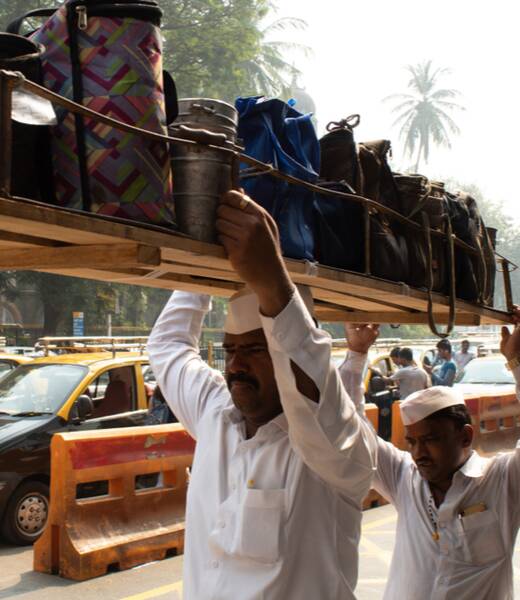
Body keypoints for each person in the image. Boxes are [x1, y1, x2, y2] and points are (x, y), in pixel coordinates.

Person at [147, 190, 377, 600]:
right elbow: (169, 346)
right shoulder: (216, 412)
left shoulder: (335, 451)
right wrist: (200, 264)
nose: (236, 365)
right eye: (230, 350)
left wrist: (270, 276)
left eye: (255, 351)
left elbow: (311, 376)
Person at [340, 307, 520, 599]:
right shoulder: (402, 477)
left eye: (431, 440)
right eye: (412, 442)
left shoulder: (502, 480)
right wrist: (356, 354)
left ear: (465, 436)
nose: (418, 453)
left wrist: (516, 362)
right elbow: (348, 427)